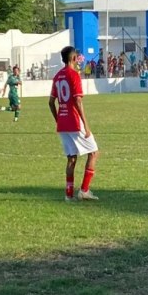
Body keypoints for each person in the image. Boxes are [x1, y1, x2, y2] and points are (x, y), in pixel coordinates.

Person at [49, 46, 99, 202]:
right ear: (72, 59)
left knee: (71, 158)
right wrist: (87, 124)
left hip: (63, 123)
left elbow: (51, 102)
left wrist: (59, 120)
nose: (78, 60)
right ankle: (84, 190)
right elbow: (77, 100)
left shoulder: (57, 76)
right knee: (94, 152)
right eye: (77, 57)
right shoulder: (74, 75)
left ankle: (68, 195)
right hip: (75, 121)